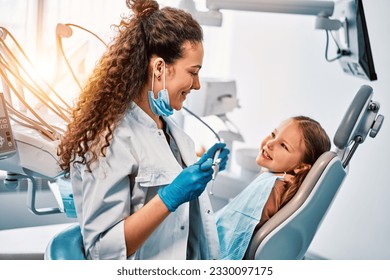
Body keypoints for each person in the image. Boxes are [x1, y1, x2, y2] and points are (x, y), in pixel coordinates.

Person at [57, 0, 229, 260]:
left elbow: (162, 173)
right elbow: (102, 250)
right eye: (192, 72)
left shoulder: (169, 130)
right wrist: (169, 197)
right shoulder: (108, 139)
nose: (197, 85)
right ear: (159, 68)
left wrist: (205, 169)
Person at [215, 116, 331, 260]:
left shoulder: (274, 187)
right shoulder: (272, 179)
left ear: (301, 167)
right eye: (274, 135)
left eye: (284, 146)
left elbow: (242, 231)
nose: (270, 143)